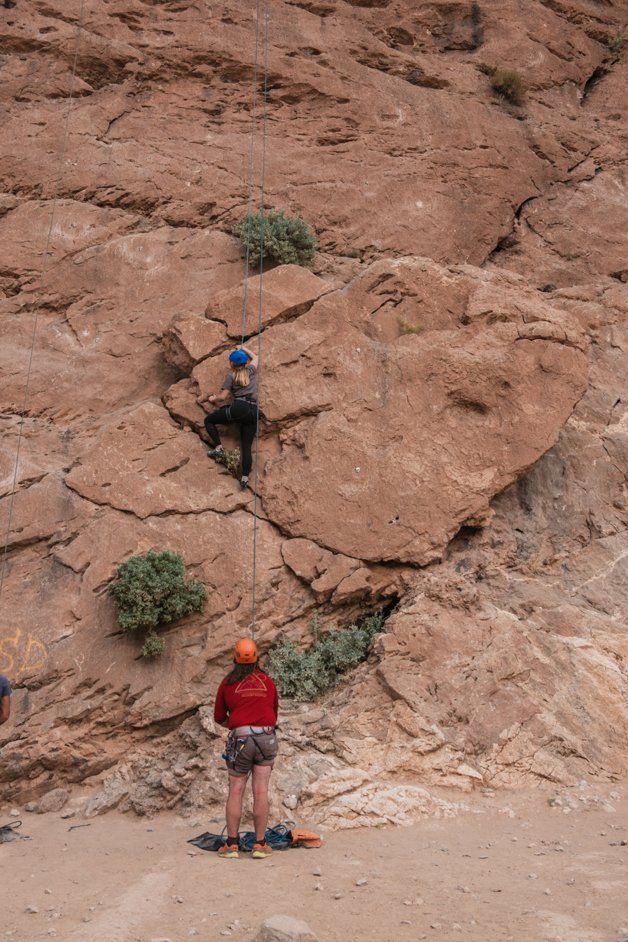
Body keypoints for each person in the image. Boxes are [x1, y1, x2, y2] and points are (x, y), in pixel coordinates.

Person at [213, 638, 279, 859]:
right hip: (266, 737)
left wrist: (238, 725)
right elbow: (273, 715)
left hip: (241, 739)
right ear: (256, 659)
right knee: (261, 790)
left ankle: (232, 845)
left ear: (234, 658)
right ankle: (260, 845)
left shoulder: (227, 684)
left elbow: (219, 718)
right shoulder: (268, 682)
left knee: (236, 789)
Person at [201, 345, 260, 490]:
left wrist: (213, 399)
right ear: (245, 362)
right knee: (246, 446)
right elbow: (256, 357)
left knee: (208, 420)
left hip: (239, 408)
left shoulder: (231, 376)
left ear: (232, 363)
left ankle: (219, 448)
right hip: (253, 410)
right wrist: (243, 348)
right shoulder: (250, 371)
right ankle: (245, 478)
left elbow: (223, 397)